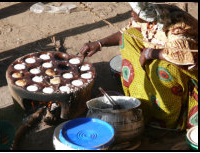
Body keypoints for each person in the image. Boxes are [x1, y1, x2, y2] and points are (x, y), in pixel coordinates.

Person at [79, 2, 198, 131]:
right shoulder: (154, 16)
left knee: (160, 69)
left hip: (184, 67)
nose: (131, 14)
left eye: (134, 11)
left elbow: (182, 57)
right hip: (162, 53)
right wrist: (99, 43)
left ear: (149, 12)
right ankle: (143, 98)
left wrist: (150, 53)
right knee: (129, 37)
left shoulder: (177, 27)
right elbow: (126, 33)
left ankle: (164, 120)